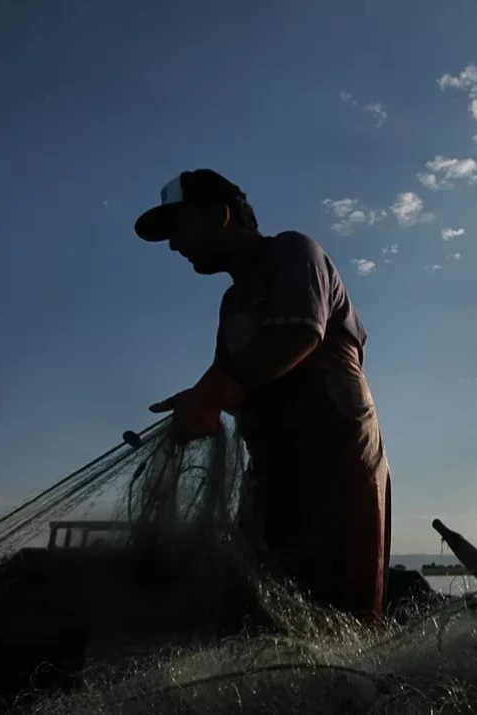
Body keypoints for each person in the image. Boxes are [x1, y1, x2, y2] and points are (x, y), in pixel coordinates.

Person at [134, 169, 391, 626]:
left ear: (220, 215)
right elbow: (228, 384)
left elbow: (299, 333)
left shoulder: (294, 252)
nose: (174, 245)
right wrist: (195, 405)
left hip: (338, 466)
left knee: (342, 614)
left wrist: (211, 394)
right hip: (272, 474)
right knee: (264, 607)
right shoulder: (232, 303)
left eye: (179, 227)